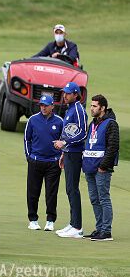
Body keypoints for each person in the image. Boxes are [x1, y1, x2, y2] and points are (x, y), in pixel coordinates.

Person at [24, 95, 64, 231]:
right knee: (33, 192)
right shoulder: (33, 120)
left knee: (51, 193)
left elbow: (63, 140)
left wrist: (60, 156)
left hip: (53, 163)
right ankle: (33, 219)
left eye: (46, 105)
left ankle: (50, 220)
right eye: (41, 105)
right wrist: (29, 156)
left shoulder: (59, 121)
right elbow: (27, 139)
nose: (43, 108)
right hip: (35, 161)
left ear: (52, 106)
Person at [82, 95, 119, 241]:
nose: (91, 108)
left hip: (101, 169)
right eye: (91, 106)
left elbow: (113, 146)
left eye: (94, 106)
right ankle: (99, 229)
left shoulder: (111, 123)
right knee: (94, 199)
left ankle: (106, 231)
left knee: (103, 198)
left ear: (102, 108)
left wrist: (104, 166)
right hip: (90, 167)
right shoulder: (93, 123)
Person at [54, 82, 88, 239]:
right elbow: (68, 132)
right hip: (68, 153)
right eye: (64, 93)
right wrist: (63, 152)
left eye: (68, 93)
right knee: (69, 189)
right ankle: (73, 223)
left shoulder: (79, 109)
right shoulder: (70, 109)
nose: (65, 95)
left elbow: (83, 133)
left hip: (75, 154)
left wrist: (65, 144)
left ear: (76, 94)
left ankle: (77, 227)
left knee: (73, 189)